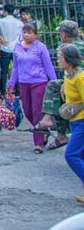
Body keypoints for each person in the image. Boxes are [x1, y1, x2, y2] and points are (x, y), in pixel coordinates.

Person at [6, 21, 57, 153]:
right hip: (23, 83)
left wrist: (55, 82)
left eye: (29, 32)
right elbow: (16, 67)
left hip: (39, 82)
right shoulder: (17, 47)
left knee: (36, 112)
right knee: (27, 110)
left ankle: (38, 143)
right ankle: (43, 129)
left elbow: (48, 66)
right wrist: (11, 83)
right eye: (24, 32)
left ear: (35, 35)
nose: (26, 35)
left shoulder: (41, 47)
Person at [40, 21, 84, 149]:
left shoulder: (67, 48)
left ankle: (51, 122)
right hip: (72, 81)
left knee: (53, 85)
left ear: (63, 34)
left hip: (77, 81)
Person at [57, 44, 84, 202]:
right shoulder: (68, 76)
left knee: (71, 155)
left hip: (82, 121)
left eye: (61, 57)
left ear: (69, 59)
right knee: (80, 155)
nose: (59, 60)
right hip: (74, 121)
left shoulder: (80, 77)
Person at [0, 4, 24, 92]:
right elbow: (21, 37)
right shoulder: (19, 23)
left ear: (5, 11)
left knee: (4, 70)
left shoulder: (1, 21)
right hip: (16, 48)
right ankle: (18, 90)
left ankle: (3, 91)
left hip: (5, 48)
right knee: (16, 69)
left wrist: (0, 38)